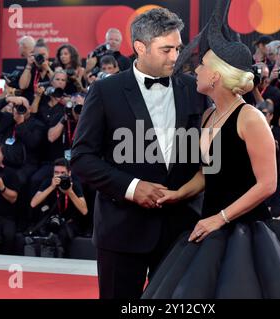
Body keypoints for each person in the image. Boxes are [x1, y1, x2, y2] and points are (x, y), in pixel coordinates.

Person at [142, 0, 280, 299]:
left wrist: (219, 218)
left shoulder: (250, 118)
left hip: (247, 230)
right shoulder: (208, 115)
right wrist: (179, 194)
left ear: (216, 75)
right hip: (210, 225)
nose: (197, 70)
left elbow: (268, 184)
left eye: (202, 65)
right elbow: (210, 173)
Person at [71, 8, 207, 299]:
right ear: (140, 47)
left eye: (178, 48)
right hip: (121, 229)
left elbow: (208, 157)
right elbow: (82, 158)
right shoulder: (105, 91)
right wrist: (132, 188)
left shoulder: (195, 89)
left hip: (181, 229)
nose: (175, 57)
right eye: (167, 49)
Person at [30, 158, 88, 257]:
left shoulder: (75, 184)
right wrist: (51, 187)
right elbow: (33, 203)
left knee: (62, 234)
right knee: (45, 231)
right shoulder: (48, 182)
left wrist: (70, 192)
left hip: (68, 223)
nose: (59, 175)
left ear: (69, 173)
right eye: (56, 172)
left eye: (62, 173)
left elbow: (84, 210)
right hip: (52, 220)